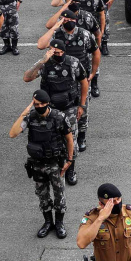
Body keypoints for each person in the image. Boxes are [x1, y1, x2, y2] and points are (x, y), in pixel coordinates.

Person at [37, 9, 100, 176]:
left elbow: (96, 51)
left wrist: (93, 73)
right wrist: (58, 24)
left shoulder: (84, 35)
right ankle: (55, 161)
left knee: (79, 117)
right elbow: (41, 45)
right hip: (53, 99)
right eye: (63, 20)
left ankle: (76, 151)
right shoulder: (56, 36)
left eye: (68, 19)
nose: (66, 22)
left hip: (77, 83)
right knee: (54, 134)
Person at [10, 90, 75, 237]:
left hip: (55, 164)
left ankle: (59, 223)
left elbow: (69, 139)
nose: (38, 107)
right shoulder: (31, 117)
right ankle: (48, 222)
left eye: (40, 104)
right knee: (42, 195)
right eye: (35, 104)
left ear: (47, 103)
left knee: (59, 194)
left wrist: (70, 160)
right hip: (37, 164)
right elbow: (12, 134)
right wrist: (24, 112)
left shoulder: (59, 117)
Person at [23, 39, 88, 176]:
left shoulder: (73, 63)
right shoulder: (45, 64)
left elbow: (84, 82)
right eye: (52, 51)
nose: (55, 55)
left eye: (58, 52)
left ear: (64, 51)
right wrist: (42, 61)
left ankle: (70, 169)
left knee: (71, 139)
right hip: (49, 109)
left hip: (69, 107)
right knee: (49, 137)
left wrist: (81, 105)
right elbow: (27, 78)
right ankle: (52, 164)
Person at [52, 0, 107, 97]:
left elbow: (98, 28)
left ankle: (94, 84)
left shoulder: (86, 16)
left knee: (90, 66)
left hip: (85, 44)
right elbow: (54, 3)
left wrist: (97, 45)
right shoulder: (66, 7)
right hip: (69, 44)